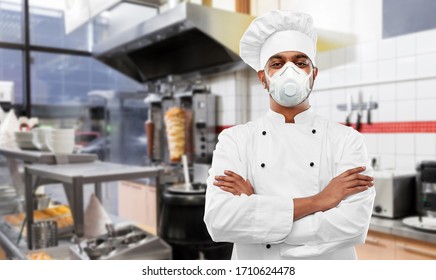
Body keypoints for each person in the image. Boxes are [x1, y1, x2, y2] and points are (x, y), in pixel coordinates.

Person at [203, 10, 376, 260]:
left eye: (300, 62)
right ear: (263, 78)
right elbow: (219, 222)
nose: (289, 70)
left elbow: (353, 227)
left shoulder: (347, 140)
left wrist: (258, 209)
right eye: (277, 63)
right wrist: (320, 201)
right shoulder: (235, 140)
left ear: (313, 74)